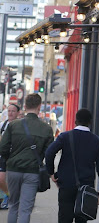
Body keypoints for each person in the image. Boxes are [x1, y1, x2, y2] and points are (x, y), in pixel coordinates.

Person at [45, 108, 99, 223]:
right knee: (82, 218)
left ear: (76, 121)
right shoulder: (96, 141)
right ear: (90, 122)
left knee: (64, 218)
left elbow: (49, 153)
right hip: (86, 188)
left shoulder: (65, 136)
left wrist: (51, 173)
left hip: (66, 184)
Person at [0, 94, 54, 223]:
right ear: (39, 107)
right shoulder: (46, 129)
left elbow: (3, 148)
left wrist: (9, 160)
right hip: (32, 171)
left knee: (13, 205)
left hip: (13, 170)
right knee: (25, 209)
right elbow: (49, 153)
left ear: (25, 106)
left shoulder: (13, 125)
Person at [0, 104, 21, 209]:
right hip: (4, 155)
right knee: (1, 179)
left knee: (15, 179)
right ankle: (8, 195)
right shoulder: (2, 125)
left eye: (13, 111)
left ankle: (13, 198)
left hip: (16, 155)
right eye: (9, 111)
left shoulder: (21, 126)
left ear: (18, 113)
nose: (10, 113)